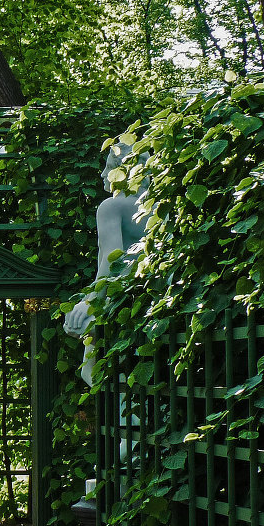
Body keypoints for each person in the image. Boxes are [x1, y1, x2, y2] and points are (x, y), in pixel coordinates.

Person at [64, 142, 151, 385]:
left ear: (121, 171)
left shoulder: (112, 206)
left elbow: (113, 260)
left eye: (108, 167)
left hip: (121, 298)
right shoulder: (156, 207)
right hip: (151, 296)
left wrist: (89, 301)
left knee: (89, 363)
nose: (103, 174)